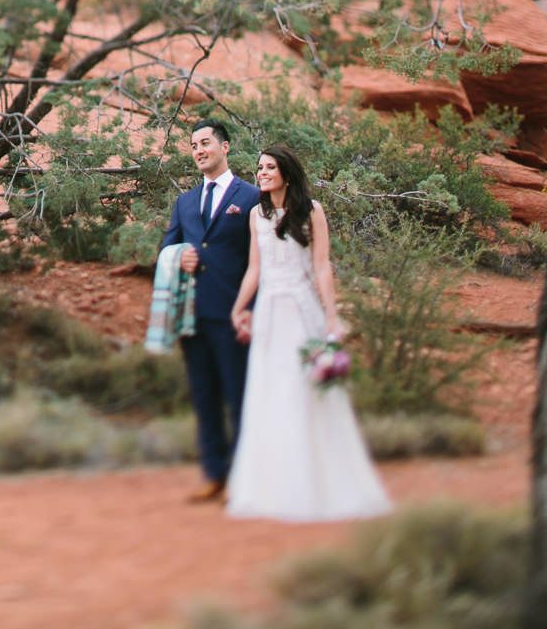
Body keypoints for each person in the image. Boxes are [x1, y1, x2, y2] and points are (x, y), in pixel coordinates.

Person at [225, 144, 391, 521]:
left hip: (302, 311)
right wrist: (239, 308)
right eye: (259, 167)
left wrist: (332, 316)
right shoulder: (256, 215)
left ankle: (318, 485)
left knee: (304, 389)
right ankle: (272, 488)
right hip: (268, 311)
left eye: (269, 167)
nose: (261, 173)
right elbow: (255, 268)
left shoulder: (312, 211)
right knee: (271, 390)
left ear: (286, 172)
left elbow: (321, 268)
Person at [160, 119, 260, 502]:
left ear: (225, 147)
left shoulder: (251, 197)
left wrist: (252, 309)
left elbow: (261, 258)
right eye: (193, 145)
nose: (199, 150)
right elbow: (165, 251)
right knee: (204, 398)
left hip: (236, 314)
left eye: (205, 143)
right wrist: (177, 256)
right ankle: (214, 475)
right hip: (193, 316)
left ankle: (244, 479)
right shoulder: (184, 202)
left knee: (239, 397)